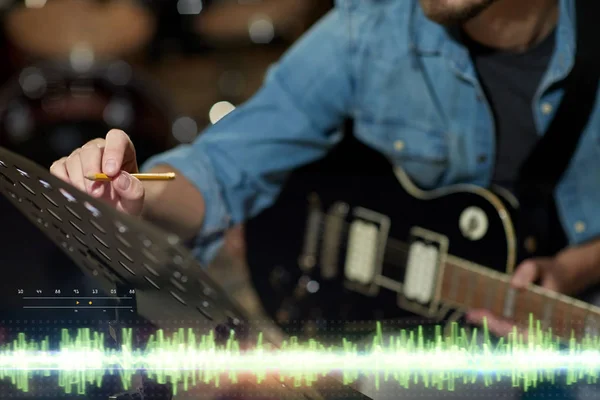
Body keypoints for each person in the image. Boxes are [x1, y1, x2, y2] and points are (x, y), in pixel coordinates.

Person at [51, 0, 600, 398]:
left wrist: (575, 268)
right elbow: (222, 167)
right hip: (428, 334)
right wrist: (133, 199)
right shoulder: (371, 28)